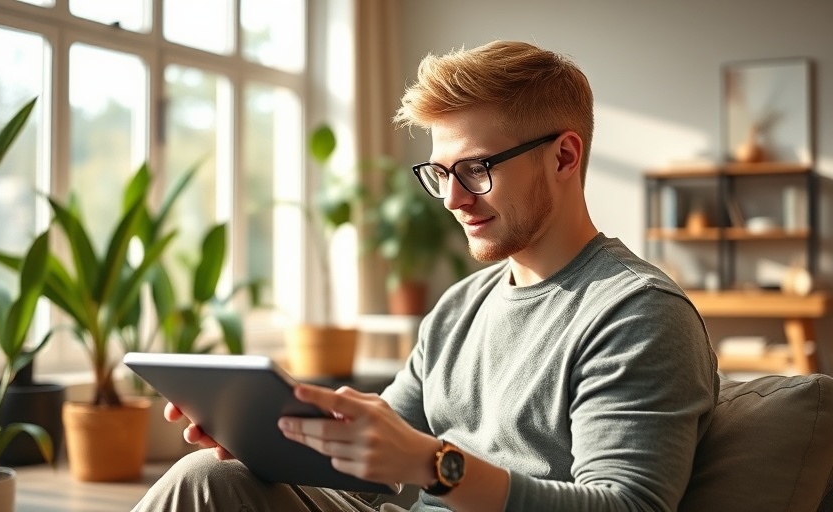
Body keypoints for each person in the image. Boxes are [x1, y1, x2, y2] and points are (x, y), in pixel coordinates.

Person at [132, 40, 719, 512]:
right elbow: (374, 465)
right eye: (441, 173)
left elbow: (627, 504)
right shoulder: (460, 307)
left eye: (476, 169)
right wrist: (269, 441)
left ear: (564, 157)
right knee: (208, 478)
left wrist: (433, 466)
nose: (454, 199)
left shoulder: (637, 313)